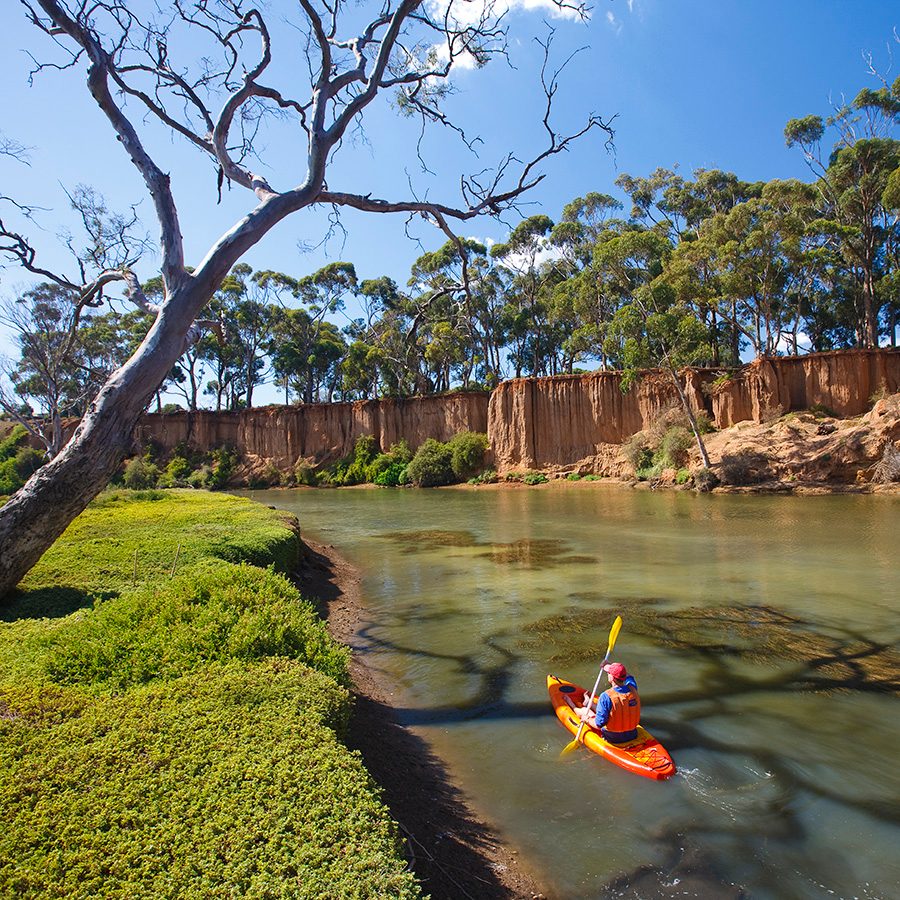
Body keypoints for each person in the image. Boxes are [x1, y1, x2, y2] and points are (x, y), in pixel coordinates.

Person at [576, 662, 640, 743]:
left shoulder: (606, 696)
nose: (607, 674)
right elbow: (629, 676)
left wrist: (587, 719)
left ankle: (575, 707)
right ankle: (589, 702)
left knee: (584, 711)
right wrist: (612, 666)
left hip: (612, 738)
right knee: (608, 709)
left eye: (608, 673)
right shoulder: (633, 688)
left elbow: (599, 724)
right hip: (632, 735)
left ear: (612, 677)